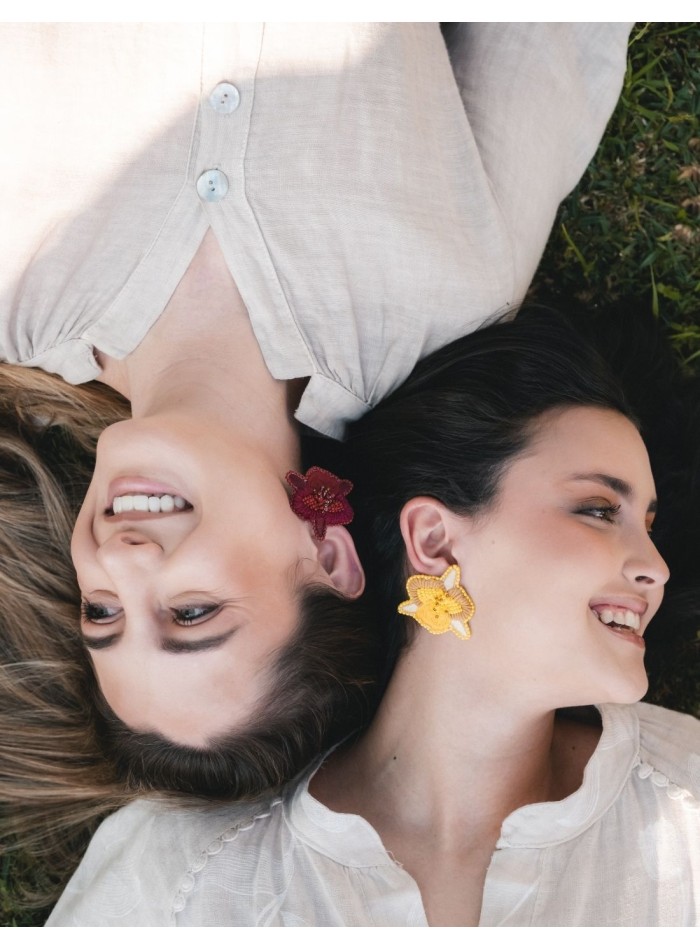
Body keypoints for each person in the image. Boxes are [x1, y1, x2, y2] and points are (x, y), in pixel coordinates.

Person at [0, 23, 632, 903]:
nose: (122, 563)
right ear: (328, 558)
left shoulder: (15, 285)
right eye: (190, 612)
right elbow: (552, 37)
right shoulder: (450, 306)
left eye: (102, 612)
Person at [46, 310, 700, 926]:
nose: (657, 568)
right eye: (600, 509)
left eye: (608, 512)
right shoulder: (179, 880)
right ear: (435, 544)